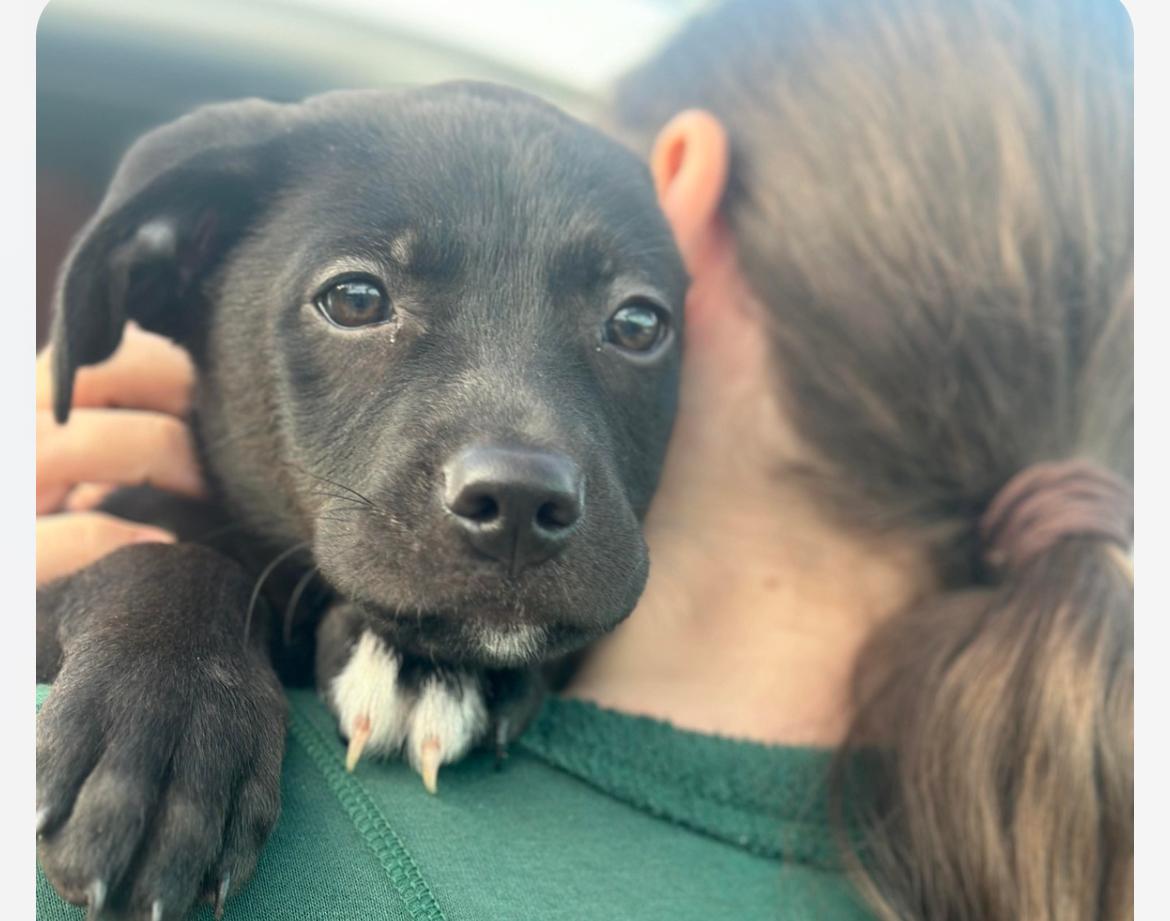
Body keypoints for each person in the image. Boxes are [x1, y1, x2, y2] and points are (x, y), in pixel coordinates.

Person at [36, 0, 1133, 919]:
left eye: (631, 323)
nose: (517, 462)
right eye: (360, 298)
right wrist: (159, 598)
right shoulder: (1047, 834)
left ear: (684, 193)